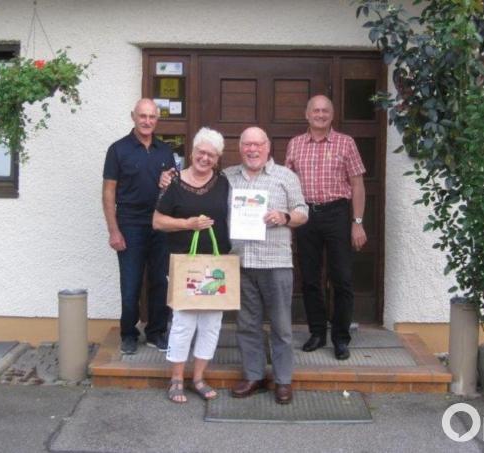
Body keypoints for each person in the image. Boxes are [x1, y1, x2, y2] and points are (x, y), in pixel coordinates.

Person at [225, 127, 308, 405]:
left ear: (267, 147)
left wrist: (284, 216)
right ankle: (254, 376)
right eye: (247, 145)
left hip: (276, 263)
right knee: (247, 324)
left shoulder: (286, 176)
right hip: (241, 262)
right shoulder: (227, 177)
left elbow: (302, 211)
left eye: (257, 145)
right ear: (240, 148)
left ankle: (283, 380)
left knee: (281, 326)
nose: (252, 150)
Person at [284, 94, 367, 361]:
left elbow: (357, 185)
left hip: (337, 213)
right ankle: (317, 332)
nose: (320, 114)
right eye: (316, 110)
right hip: (306, 215)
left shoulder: (346, 143)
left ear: (332, 115)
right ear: (307, 114)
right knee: (309, 278)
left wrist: (357, 223)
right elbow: (286, 184)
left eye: (325, 110)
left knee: (341, 278)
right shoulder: (295, 144)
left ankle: (341, 338)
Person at [153, 127, 232, 403]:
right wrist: (188, 224)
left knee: (211, 323)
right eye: (201, 152)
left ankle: (198, 377)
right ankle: (176, 378)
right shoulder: (174, 183)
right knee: (184, 322)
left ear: (218, 158)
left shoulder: (223, 182)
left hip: (216, 262)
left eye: (211, 154)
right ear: (192, 152)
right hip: (184, 262)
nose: (205, 158)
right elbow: (158, 221)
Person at [102, 98, 176, 355]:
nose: (147, 121)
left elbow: (172, 190)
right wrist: (114, 230)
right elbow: (108, 193)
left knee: (160, 281)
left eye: (152, 117)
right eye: (142, 116)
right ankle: (129, 334)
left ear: (157, 119)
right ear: (133, 116)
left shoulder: (165, 151)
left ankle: (156, 332)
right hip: (130, 224)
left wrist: (169, 183)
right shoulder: (118, 150)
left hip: (160, 224)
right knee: (131, 283)